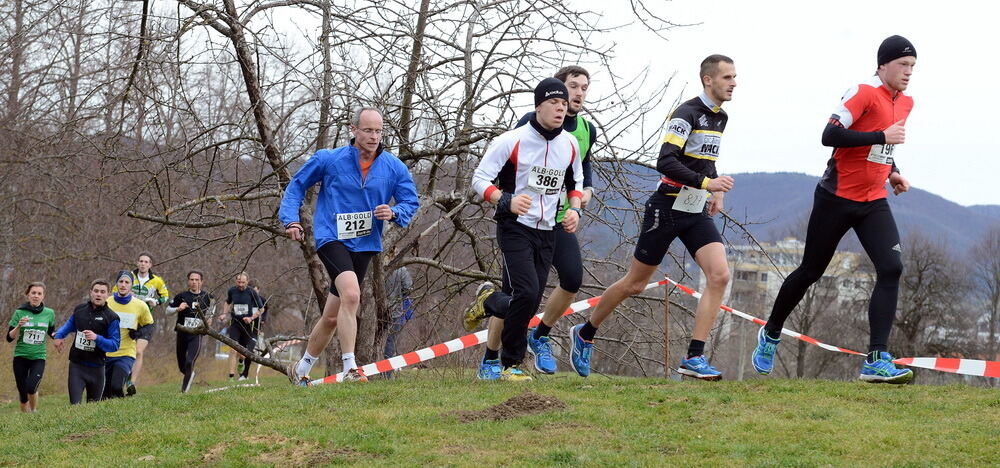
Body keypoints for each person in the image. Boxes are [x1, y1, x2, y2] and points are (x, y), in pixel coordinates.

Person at [752, 36, 916, 384]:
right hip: (836, 197)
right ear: (883, 64)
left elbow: (882, 147)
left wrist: (893, 171)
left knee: (892, 267)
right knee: (811, 270)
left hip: (873, 200)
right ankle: (771, 332)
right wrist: (881, 137)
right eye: (903, 65)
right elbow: (830, 135)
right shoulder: (861, 92)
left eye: (913, 67)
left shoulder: (906, 102)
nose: (908, 72)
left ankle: (875, 359)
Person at [566, 55, 737, 380]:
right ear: (708, 80)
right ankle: (586, 332)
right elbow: (666, 161)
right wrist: (706, 183)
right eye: (727, 77)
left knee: (720, 276)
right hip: (666, 207)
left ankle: (693, 357)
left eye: (734, 77)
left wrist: (716, 189)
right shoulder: (685, 114)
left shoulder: (721, 117)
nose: (733, 83)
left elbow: (704, 159)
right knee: (636, 283)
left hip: (695, 208)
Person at [471, 66, 598, 378]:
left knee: (527, 301)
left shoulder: (569, 143)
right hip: (515, 225)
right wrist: (505, 199)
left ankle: (489, 300)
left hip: (547, 229)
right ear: (538, 106)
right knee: (526, 294)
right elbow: (479, 178)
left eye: (563, 104)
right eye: (554, 103)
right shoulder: (512, 139)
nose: (561, 108)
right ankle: (511, 364)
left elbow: (576, 180)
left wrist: (575, 209)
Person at [281, 107, 420, 385]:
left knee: (332, 315)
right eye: (367, 130)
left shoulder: (393, 167)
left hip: (366, 243)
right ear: (353, 130)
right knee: (352, 296)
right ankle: (350, 368)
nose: (373, 136)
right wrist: (291, 221)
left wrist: (394, 213)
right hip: (331, 236)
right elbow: (296, 186)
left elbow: (411, 201)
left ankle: (300, 370)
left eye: (378, 131)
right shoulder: (329, 160)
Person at [53, 280, 121, 404]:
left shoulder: (111, 317)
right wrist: (59, 335)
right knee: (75, 405)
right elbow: (69, 325)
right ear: (90, 293)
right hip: (77, 366)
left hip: (97, 369)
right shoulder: (80, 310)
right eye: (96, 291)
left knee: (92, 409)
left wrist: (97, 338)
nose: (98, 294)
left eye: (102, 292)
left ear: (108, 295)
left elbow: (115, 345)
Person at [114, 252, 169, 395]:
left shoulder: (156, 280)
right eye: (141, 261)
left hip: (146, 319)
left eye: (146, 261)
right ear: (137, 263)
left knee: (138, 351)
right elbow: (113, 293)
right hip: (129, 318)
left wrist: (156, 301)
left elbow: (165, 296)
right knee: (126, 349)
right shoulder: (128, 278)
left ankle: (132, 381)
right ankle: (123, 376)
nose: (143, 264)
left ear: (150, 265)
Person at [104, 271, 155, 399]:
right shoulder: (107, 303)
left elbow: (149, 324)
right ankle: (118, 407)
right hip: (105, 353)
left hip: (126, 353)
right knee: (105, 393)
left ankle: (123, 395)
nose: (123, 285)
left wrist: (138, 333)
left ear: (131, 285)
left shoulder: (140, 305)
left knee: (116, 386)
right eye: (121, 281)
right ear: (116, 284)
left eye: (127, 282)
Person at [6, 282, 56, 412]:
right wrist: (18, 326)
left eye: (39, 293)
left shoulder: (49, 313)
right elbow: (9, 338)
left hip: (38, 356)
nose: (36, 296)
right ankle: (26, 418)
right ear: (28, 295)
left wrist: (58, 338)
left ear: (43, 296)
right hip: (21, 356)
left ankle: (34, 411)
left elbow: (51, 331)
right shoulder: (19, 312)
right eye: (33, 293)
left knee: (31, 387)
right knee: (23, 394)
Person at [166, 270, 212, 393]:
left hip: (196, 335)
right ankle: (190, 374)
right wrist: (177, 308)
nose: (194, 282)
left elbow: (211, 315)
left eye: (197, 280)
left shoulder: (208, 297)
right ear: (188, 281)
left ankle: (184, 391)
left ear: (202, 282)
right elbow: (167, 311)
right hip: (182, 333)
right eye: (191, 279)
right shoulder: (181, 296)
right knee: (182, 365)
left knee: (190, 361)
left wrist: (208, 321)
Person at [222, 272, 265, 381]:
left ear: (247, 282)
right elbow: (227, 302)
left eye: (243, 282)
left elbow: (261, 309)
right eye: (239, 282)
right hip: (235, 323)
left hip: (247, 325)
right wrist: (224, 313)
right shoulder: (232, 291)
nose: (240, 284)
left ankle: (241, 361)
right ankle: (231, 377)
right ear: (236, 281)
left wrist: (251, 318)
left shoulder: (251, 292)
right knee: (233, 348)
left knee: (243, 353)